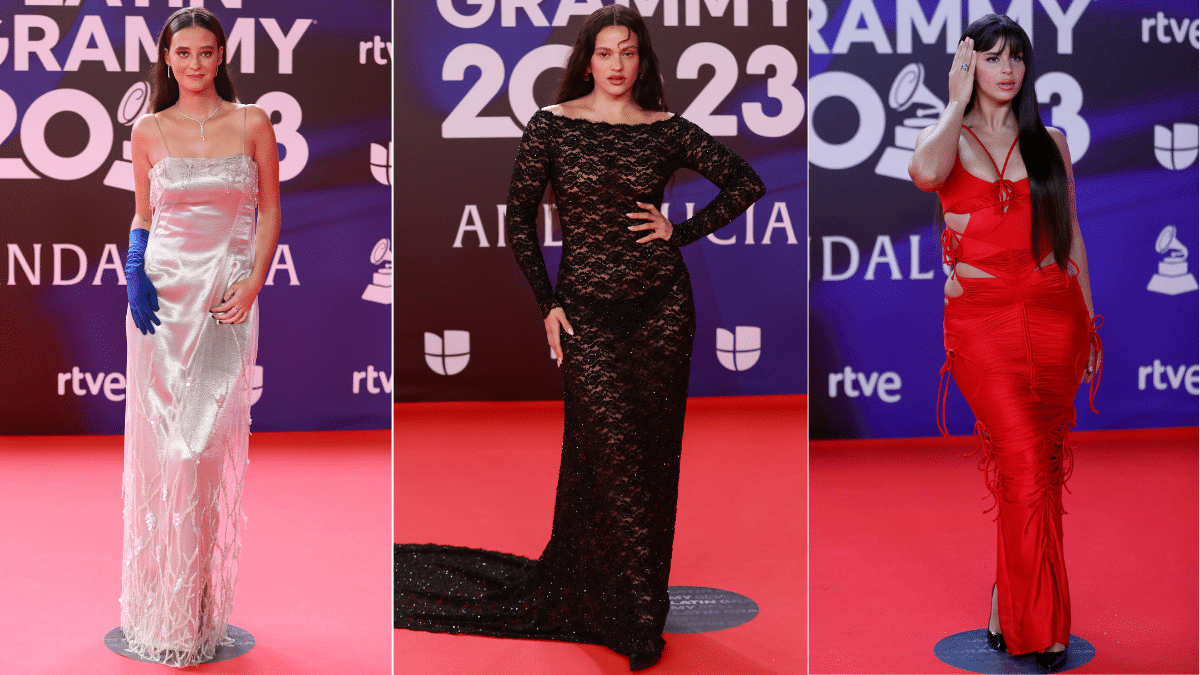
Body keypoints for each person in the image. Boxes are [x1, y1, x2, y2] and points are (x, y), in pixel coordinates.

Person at [394, 5, 764, 671]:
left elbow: (746, 181)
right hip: (586, 314)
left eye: (628, 52)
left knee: (652, 460)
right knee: (613, 452)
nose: (617, 65)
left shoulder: (666, 129)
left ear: (641, 60)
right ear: (585, 60)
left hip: (662, 311)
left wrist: (678, 230)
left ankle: (636, 608)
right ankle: (628, 615)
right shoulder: (553, 126)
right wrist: (548, 305)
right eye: (605, 52)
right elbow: (517, 220)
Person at [908, 14, 1100, 672]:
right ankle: (1040, 630)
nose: (1007, 68)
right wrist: (954, 99)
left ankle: (1006, 606)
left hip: (1055, 317)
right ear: (971, 67)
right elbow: (923, 173)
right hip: (981, 322)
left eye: (1016, 56)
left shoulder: (1051, 142)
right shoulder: (949, 137)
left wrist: (1090, 321)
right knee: (1021, 461)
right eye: (992, 57)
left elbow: (1070, 236)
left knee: (1038, 470)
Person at [120, 6, 279, 667]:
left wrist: (254, 283)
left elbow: (270, 210)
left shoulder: (252, 122)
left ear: (221, 56)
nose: (193, 63)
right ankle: (166, 612)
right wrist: (133, 265)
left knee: (200, 449)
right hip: (162, 297)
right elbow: (142, 213)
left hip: (224, 296)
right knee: (166, 453)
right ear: (165, 59)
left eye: (205, 52)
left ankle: (200, 609)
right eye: (181, 53)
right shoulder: (148, 128)